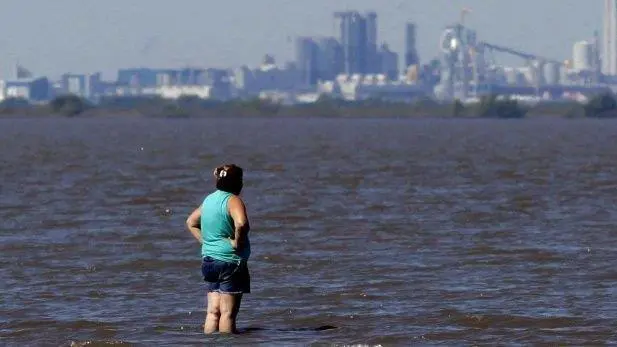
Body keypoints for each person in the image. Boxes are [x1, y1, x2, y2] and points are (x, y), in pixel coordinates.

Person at [185, 164, 251, 334]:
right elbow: (242, 223)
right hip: (230, 262)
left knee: (213, 312)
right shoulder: (233, 200)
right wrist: (237, 242)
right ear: (237, 182)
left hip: (209, 261)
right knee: (228, 314)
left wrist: (205, 242)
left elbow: (191, 222)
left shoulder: (209, 200)